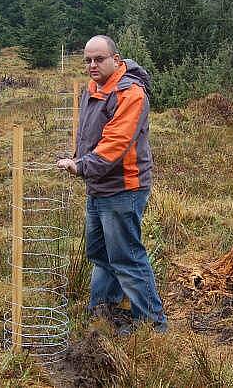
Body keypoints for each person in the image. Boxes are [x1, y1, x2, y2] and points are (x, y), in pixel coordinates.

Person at [57, 35, 167, 334]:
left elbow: (116, 143)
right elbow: (88, 135)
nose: (92, 65)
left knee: (126, 257)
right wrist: (80, 161)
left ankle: (152, 324)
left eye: (99, 59)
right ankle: (103, 309)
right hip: (98, 186)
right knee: (99, 253)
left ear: (116, 59)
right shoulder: (94, 88)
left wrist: (80, 166)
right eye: (88, 60)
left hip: (123, 189)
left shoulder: (130, 93)